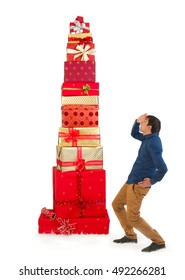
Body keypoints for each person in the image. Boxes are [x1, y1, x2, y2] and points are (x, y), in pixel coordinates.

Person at [112, 113, 168, 252]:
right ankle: (130, 236)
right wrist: (137, 121)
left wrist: (152, 180)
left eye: (144, 123)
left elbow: (163, 168)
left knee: (133, 218)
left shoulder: (154, 143)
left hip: (138, 185)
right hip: (131, 181)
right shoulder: (147, 138)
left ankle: (158, 241)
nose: (141, 124)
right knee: (117, 204)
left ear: (149, 127)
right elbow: (133, 133)